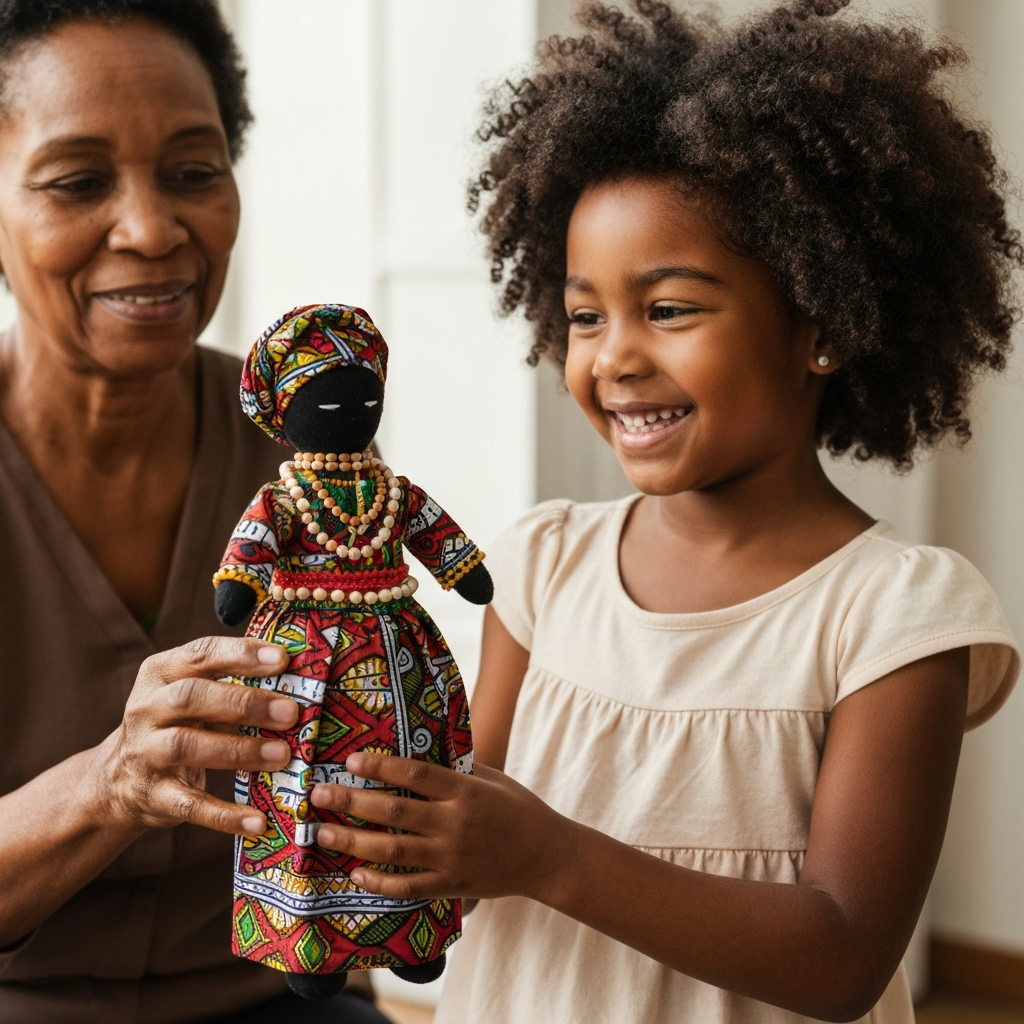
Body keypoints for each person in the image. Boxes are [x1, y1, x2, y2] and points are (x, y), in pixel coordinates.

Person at [302, 2, 1023, 1022]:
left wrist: (546, 855)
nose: (614, 356)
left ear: (820, 320)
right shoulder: (544, 566)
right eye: (584, 314)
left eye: (669, 308)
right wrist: (356, 789)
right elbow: (467, 829)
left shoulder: (895, 615)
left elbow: (843, 954)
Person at [0, 2, 389, 1021]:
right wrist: (109, 784)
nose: (151, 229)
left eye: (192, 172)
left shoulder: (310, 450)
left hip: (274, 997)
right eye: (79, 182)